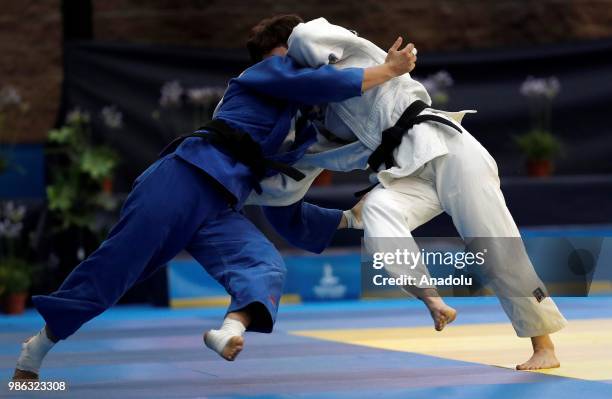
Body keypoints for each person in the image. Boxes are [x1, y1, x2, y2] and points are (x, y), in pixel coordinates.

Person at [13, 14, 418, 380]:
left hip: (221, 204)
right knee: (116, 270)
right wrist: (384, 70)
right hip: (183, 179)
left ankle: (229, 330)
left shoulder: (296, 116)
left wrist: (347, 216)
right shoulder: (262, 72)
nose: (307, 57)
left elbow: (285, 193)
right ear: (281, 50)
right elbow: (314, 83)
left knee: (264, 266)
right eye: (297, 48)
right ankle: (36, 350)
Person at [247, 17, 567, 370]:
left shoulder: (314, 44)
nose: (282, 74)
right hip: (402, 171)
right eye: (272, 69)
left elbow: (310, 37)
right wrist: (234, 190)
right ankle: (430, 298)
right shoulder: (317, 113)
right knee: (377, 212)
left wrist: (390, 68)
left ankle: (543, 345)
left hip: (445, 149)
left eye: (280, 60)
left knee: (491, 243)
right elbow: (300, 164)